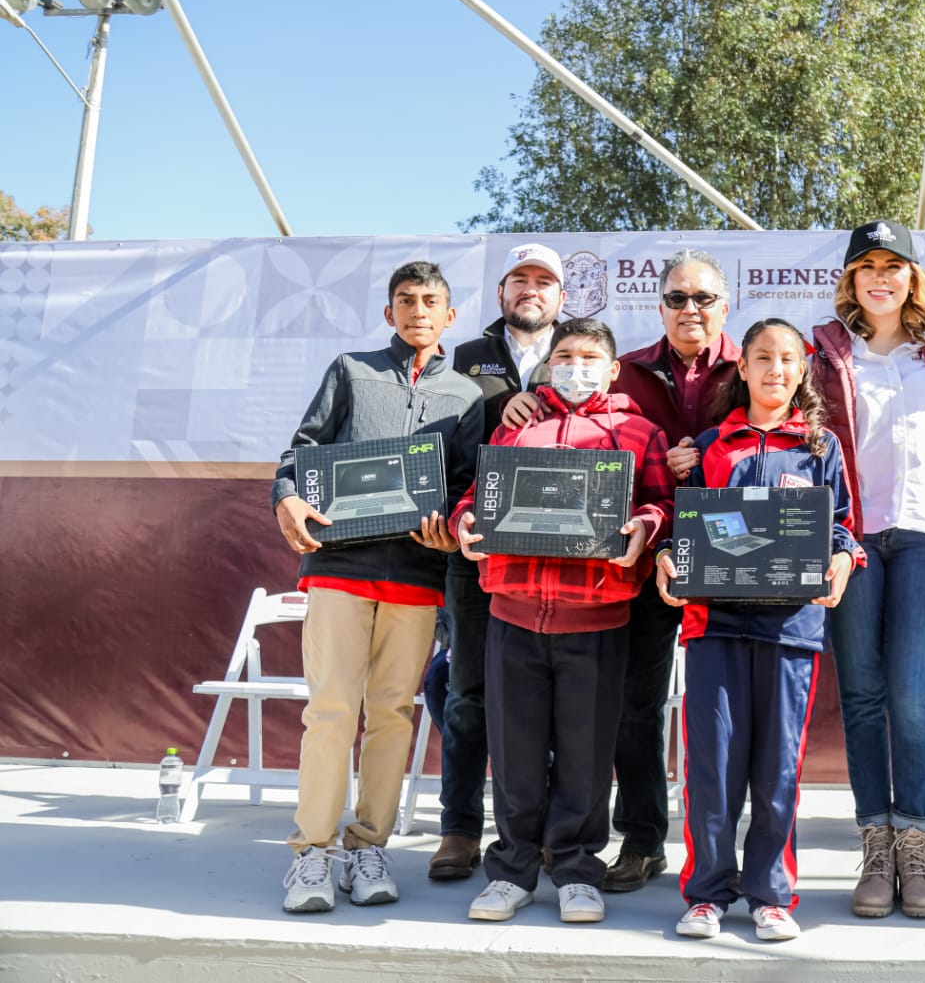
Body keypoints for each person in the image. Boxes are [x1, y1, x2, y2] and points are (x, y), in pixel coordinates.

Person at [271, 261, 484, 913]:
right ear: (388, 312)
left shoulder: (469, 397)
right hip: (340, 568)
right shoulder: (349, 369)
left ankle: (368, 846)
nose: (418, 310)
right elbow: (298, 454)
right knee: (331, 711)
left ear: (450, 316)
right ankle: (311, 854)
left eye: (431, 301)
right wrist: (287, 499)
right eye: (405, 300)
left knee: (392, 716)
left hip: (418, 579)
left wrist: (453, 528)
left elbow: (469, 486)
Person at [450, 317, 674, 925]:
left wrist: (647, 528)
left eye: (589, 357)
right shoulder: (516, 428)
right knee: (515, 751)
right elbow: (479, 497)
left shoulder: (638, 432)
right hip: (513, 614)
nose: (576, 366)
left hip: (597, 618)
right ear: (549, 364)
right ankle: (513, 871)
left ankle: (577, 871)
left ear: (611, 368)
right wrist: (463, 523)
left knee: (587, 754)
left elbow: (662, 504)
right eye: (565, 355)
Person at [655, 318, 864, 942]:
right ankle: (706, 894)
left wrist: (843, 559)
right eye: (762, 358)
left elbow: (844, 526)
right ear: (740, 368)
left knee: (777, 769)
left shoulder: (821, 448)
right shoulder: (710, 444)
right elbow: (684, 527)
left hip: (791, 628)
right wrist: (670, 556)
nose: (775, 369)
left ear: (804, 371)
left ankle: (772, 895)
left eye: (788, 359)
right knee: (711, 765)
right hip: (713, 624)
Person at [811, 219, 925, 918]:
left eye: (893, 264)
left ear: (911, 279)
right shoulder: (825, 353)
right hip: (854, 539)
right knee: (863, 695)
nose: (880, 275)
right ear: (850, 279)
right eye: (866, 264)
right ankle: (875, 843)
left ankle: (916, 843)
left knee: (913, 697)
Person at [602, 250, 741, 893]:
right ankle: (641, 840)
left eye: (704, 298)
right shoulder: (621, 373)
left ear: (725, 305)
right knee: (638, 703)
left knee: (738, 709)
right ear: (658, 306)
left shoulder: (757, 367)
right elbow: (591, 451)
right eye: (678, 298)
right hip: (647, 551)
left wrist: (705, 457)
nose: (691, 309)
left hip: (739, 555)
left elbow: (790, 444)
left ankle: (738, 852)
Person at [431, 242, 566, 882]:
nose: (531, 290)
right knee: (465, 693)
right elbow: (446, 456)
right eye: (520, 280)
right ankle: (458, 828)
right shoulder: (464, 361)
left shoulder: (582, 356)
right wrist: (494, 415)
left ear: (561, 298)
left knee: (552, 696)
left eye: (544, 281)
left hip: (556, 557)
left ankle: (544, 832)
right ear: (502, 294)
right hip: (479, 553)